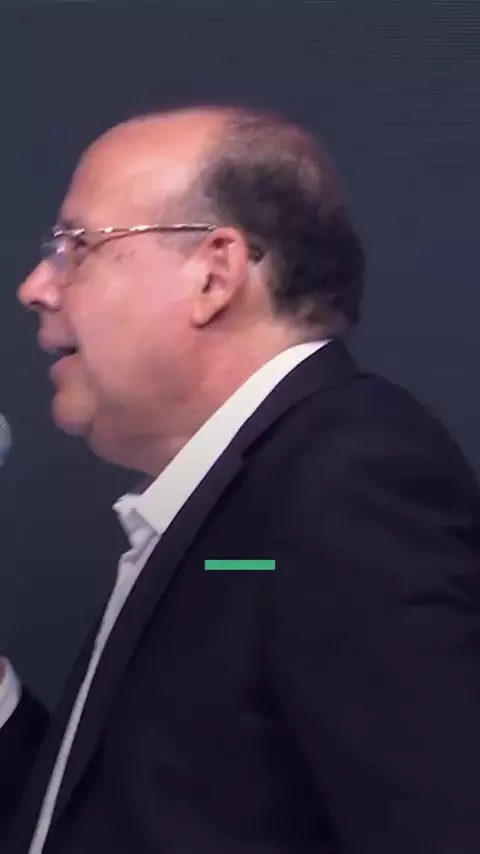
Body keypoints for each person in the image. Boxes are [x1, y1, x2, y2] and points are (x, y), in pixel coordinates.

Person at [2, 104, 480, 854]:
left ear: (214, 274)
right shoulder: (241, 536)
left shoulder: (345, 483)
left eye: (75, 246)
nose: (35, 287)